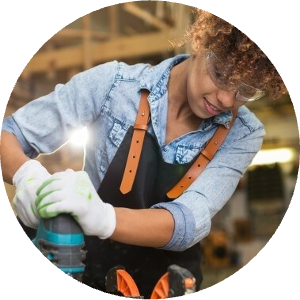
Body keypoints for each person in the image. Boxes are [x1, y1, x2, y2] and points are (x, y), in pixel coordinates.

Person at [0, 8, 287, 298]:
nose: (226, 99)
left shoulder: (245, 132)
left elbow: (188, 220)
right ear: (200, 42)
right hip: (85, 275)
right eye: (220, 74)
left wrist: (105, 218)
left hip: (167, 287)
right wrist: (27, 175)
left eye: (246, 91)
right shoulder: (113, 86)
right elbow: (10, 134)